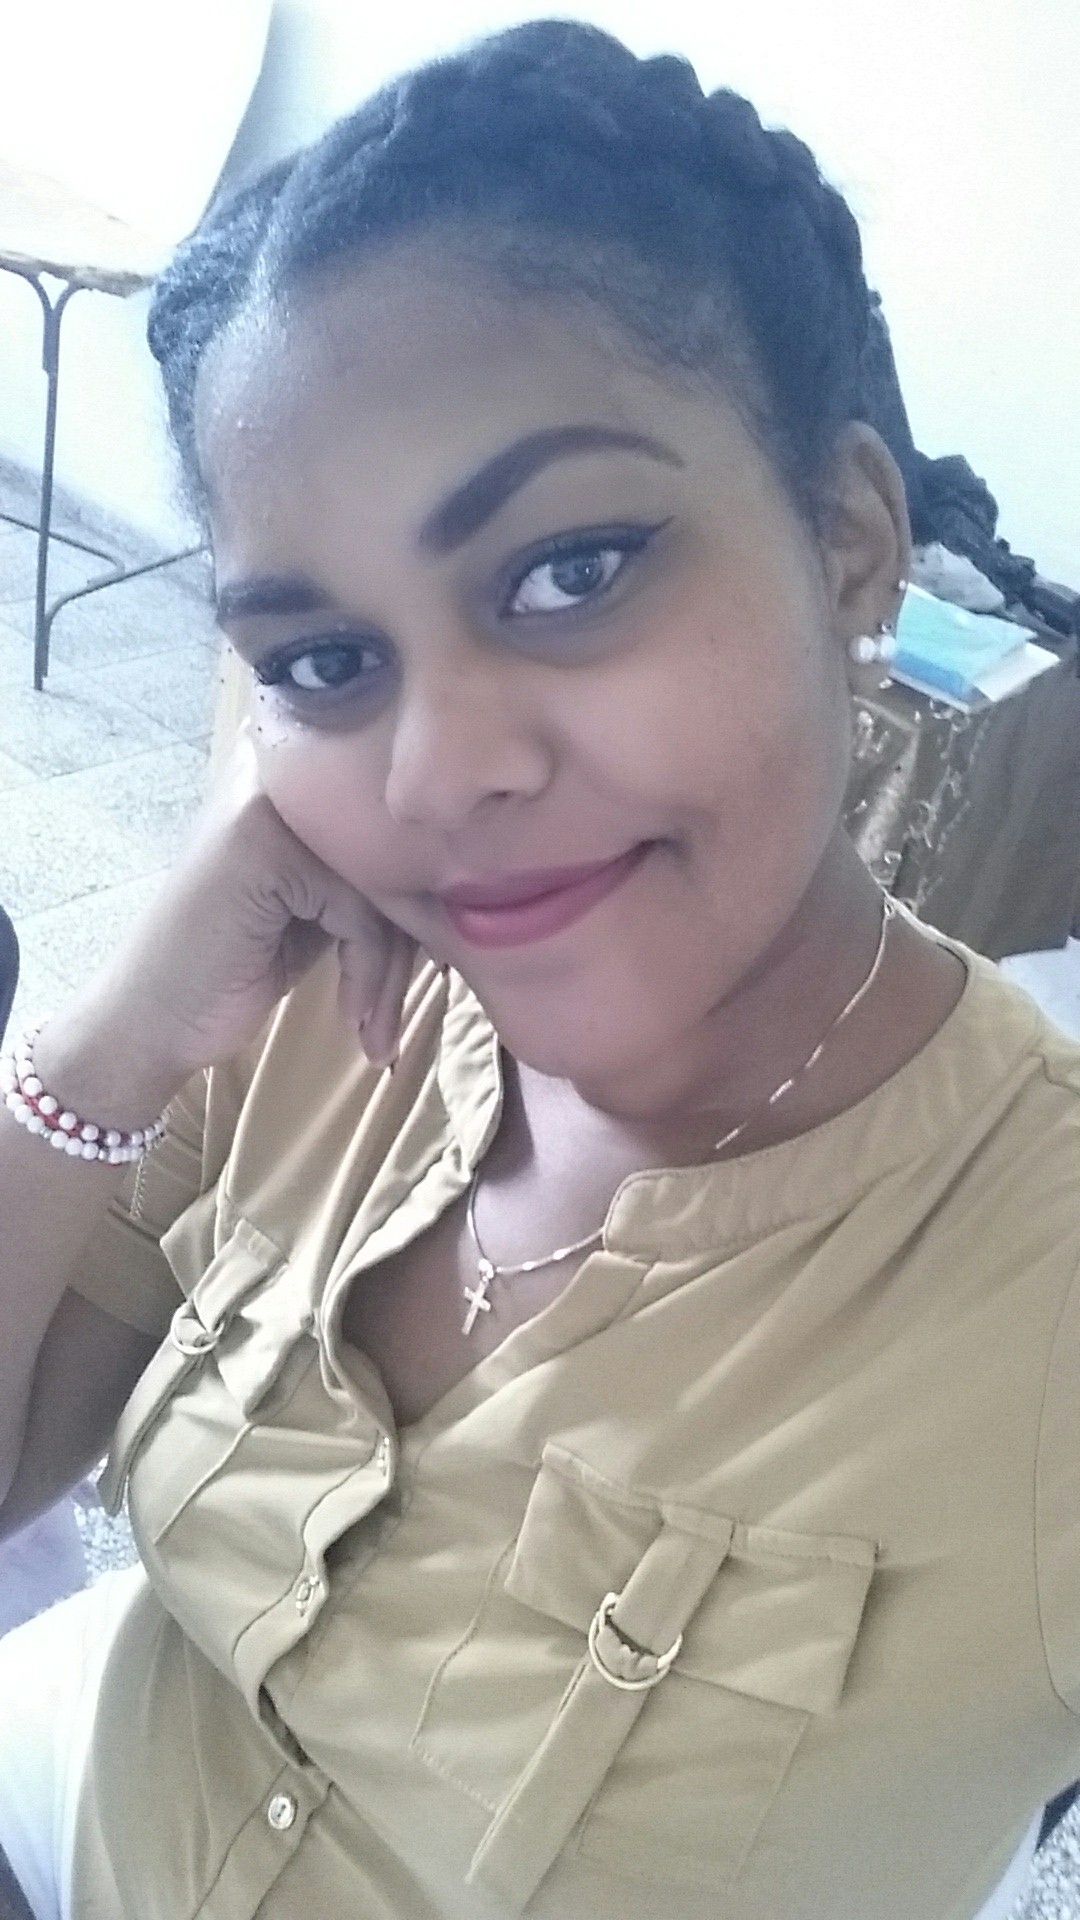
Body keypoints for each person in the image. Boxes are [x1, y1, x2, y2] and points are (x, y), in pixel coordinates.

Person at [0, 19, 1077, 1919]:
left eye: (569, 571)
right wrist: (115, 1035)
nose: (437, 779)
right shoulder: (291, 1016)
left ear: (848, 543)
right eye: (326, 661)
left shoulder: (1035, 1290)